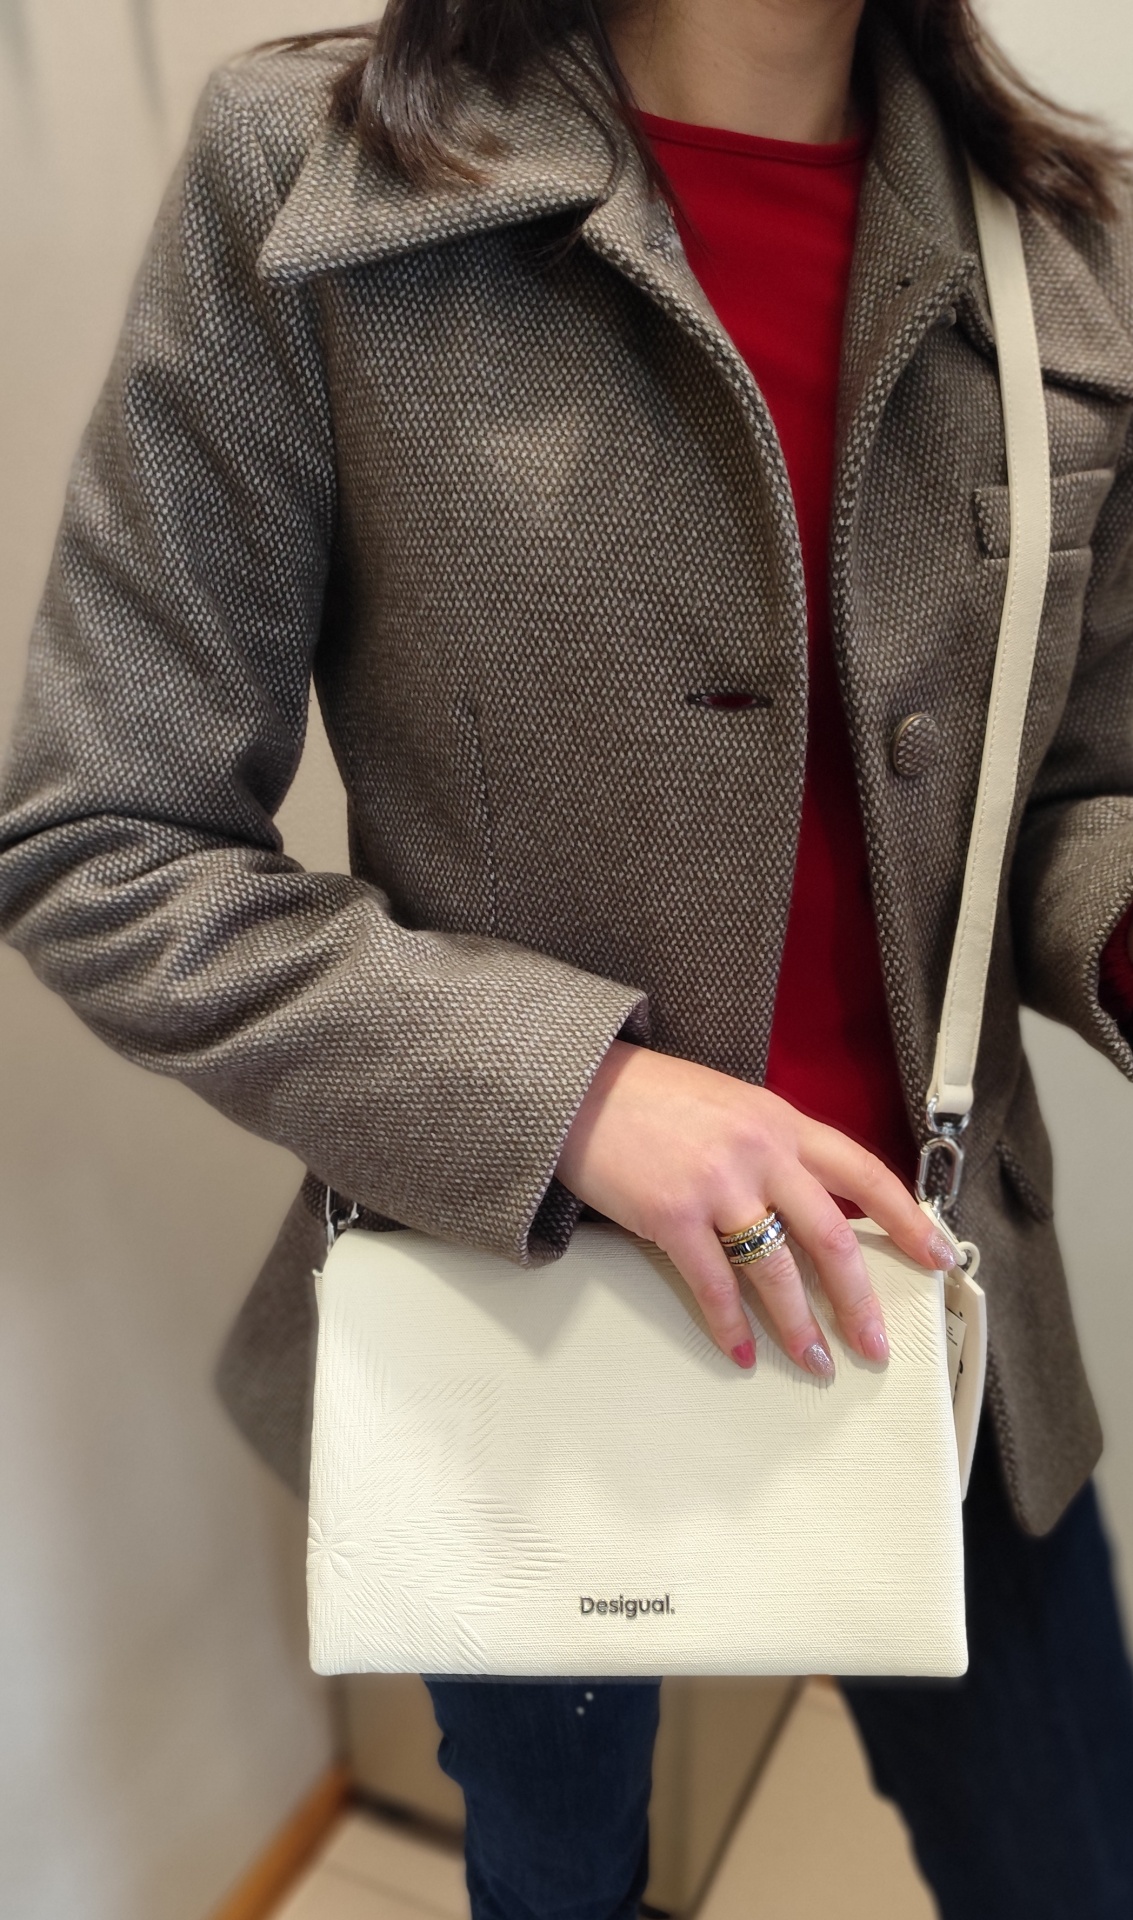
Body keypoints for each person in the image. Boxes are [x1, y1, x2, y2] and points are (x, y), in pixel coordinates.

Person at [2, 0, 1133, 1912]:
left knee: (1073, 1867)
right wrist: (577, 1096)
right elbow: (101, 837)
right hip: (511, 1322)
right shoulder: (317, 169)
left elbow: (1079, 778)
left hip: (940, 1316)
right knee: (556, 1881)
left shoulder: (1069, 243)